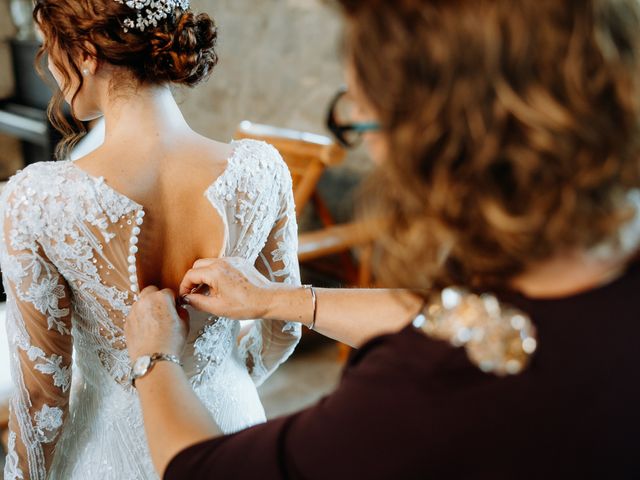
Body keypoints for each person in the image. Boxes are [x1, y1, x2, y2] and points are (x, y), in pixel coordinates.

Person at [125, 0, 640, 478]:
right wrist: (276, 300)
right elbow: (458, 318)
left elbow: (205, 471)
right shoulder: (599, 271)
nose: (371, 150)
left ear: (446, 146)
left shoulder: (429, 392)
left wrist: (154, 359)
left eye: (367, 118)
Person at [0, 0, 302, 478]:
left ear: (86, 53)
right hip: (231, 429)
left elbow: (42, 395)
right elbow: (284, 327)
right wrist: (224, 377)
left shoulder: (37, 200)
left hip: (108, 451)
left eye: (48, 49)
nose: (51, 71)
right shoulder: (261, 171)